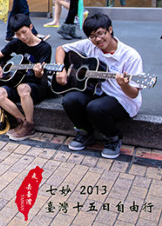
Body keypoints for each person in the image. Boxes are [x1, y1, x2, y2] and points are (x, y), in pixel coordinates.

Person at [55, 14, 143, 159]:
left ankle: (113, 138)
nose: (97, 39)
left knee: (95, 107)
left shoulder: (130, 56)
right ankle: (85, 132)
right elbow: (61, 48)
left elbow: (133, 94)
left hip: (122, 98)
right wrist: (60, 68)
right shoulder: (90, 45)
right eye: (92, 36)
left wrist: (124, 85)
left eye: (101, 34)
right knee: (69, 100)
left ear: (110, 29)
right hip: (97, 90)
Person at [0, 14, 52, 141]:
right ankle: (23, 122)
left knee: (22, 88)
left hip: (37, 85)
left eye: (24, 32)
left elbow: (39, 75)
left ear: (31, 27)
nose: (22, 37)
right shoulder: (15, 43)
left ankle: (30, 125)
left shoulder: (45, 48)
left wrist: (38, 71)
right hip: (17, 81)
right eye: (18, 34)